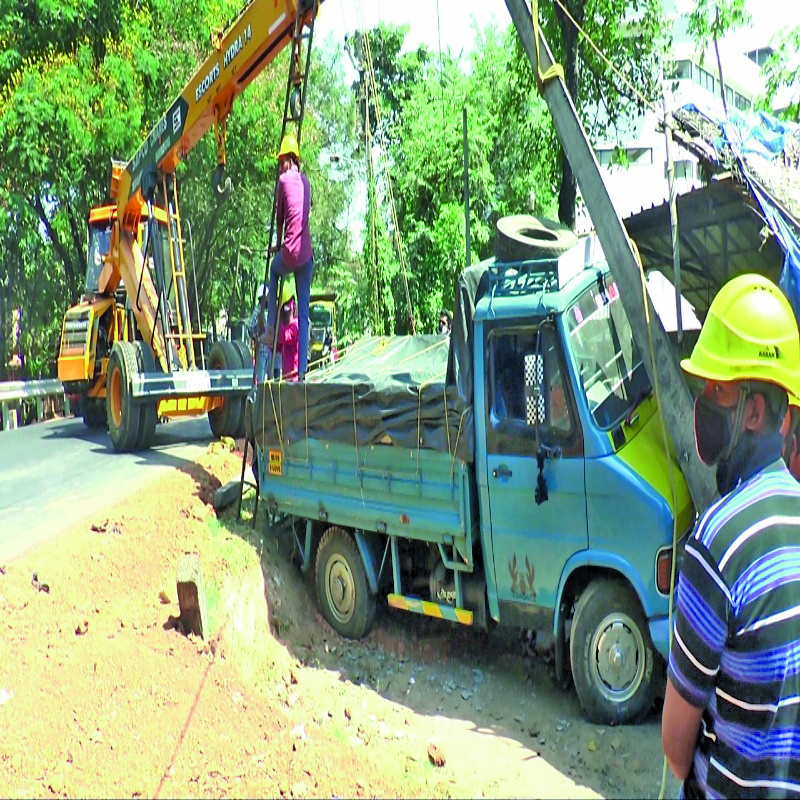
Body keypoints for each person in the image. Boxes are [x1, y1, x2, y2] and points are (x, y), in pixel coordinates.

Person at [661, 273, 800, 799]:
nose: (703, 404)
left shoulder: (715, 545)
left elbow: (676, 751)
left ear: (756, 412)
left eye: (716, 389)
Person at [264, 133, 313, 380]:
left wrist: (279, 246)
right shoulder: (306, 182)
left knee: (274, 271)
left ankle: (271, 327)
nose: (279, 165)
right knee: (303, 316)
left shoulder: (283, 181)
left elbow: (281, 219)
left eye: (280, 160)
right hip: (307, 256)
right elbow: (303, 215)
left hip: (291, 252)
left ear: (286, 159)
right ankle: (303, 372)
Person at [246, 283, 269, 384]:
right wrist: (256, 338)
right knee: (261, 379)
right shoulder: (258, 311)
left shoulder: (267, 312)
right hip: (261, 350)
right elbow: (250, 327)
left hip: (268, 350)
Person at [277, 294, 299, 381]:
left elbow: (286, 338)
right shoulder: (287, 326)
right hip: (287, 373)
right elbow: (279, 345)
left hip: (293, 374)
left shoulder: (295, 325)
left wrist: (280, 323)